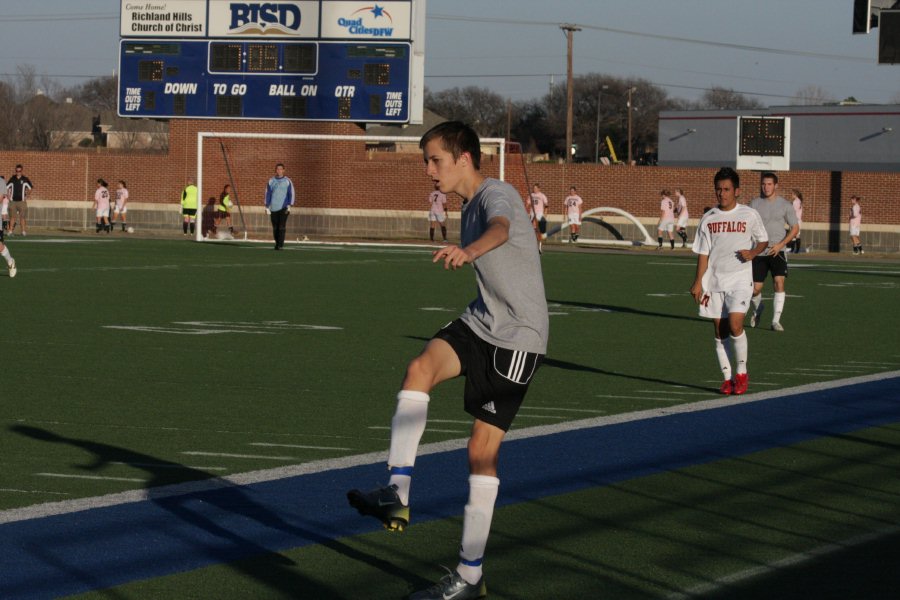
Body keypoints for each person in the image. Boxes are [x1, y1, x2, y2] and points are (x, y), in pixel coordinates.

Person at [347, 121, 548, 600]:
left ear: (464, 158)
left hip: (518, 338)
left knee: (481, 451)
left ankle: (470, 576)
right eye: (426, 161)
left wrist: (469, 250)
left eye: (434, 160)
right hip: (481, 321)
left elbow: (502, 229)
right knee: (419, 369)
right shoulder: (467, 204)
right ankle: (397, 492)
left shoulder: (496, 194)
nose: (428, 170)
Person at [691, 167, 768, 396]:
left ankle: (741, 373)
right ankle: (727, 378)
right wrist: (698, 281)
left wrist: (753, 253)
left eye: (726, 189)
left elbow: (763, 240)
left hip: (740, 280)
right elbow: (703, 253)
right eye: (718, 189)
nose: (722, 193)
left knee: (735, 324)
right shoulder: (708, 218)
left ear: (737, 191)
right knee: (719, 330)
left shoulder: (749, 215)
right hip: (714, 281)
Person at [748, 172, 799, 332]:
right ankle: (758, 308)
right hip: (759, 251)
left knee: (779, 282)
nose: (766, 187)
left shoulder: (785, 205)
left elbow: (795, 228)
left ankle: (775, 321)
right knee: (755, 289)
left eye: (769, 184)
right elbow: (747, 226)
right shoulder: (754, 204)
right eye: (764, 184)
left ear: (776, 185)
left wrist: (780, 245)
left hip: (778, 251)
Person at [265, 163, 294, 250]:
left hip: (284, 207)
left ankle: (280, 245)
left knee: (281, 226)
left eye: (281, 169)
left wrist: (289, 205)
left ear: (283, 170)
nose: (279, 170)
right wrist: (267, 206)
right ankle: (277, 243)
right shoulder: (271, 181)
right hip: (273, 207)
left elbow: (291, 193)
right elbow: (268, 193)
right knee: (275, 227)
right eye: (277, 169)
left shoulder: (287, 181)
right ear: (275, 170)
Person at [7, 164, 32, 236]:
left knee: (22, 217)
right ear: (15, 171)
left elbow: (30, 188)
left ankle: (23, 231)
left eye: (19, 171)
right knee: (12, 217)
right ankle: (10, 231)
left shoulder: (25, 179)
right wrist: (8, 196)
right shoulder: (12, 179)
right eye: (17, 171)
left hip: (22, 202)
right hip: (13, 202)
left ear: (22, 171)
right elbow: (7, 187)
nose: (18, 172)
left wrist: (27, 196)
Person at [529, 183, 549, 252]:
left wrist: (545, 213)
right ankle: (537, 245)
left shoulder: (542, 195)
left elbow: (546, 205)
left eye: (536, 188)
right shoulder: (531, 195)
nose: (534, 189)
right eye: (534, 188)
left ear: (539, 189)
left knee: (536, 226)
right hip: (532, 214)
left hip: (539, 213)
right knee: (534, 230)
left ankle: (539, 245)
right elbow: (528, 203)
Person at [789, 189, 803, 253]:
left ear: (795, 195)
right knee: (796, 235)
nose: (791, 195)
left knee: (794, 235)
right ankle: (795, 250)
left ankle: (795, 250)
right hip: (798, 220)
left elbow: (793, 211)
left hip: (795, 220)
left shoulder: (795, 201)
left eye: (792, 194)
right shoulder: (799, 201)